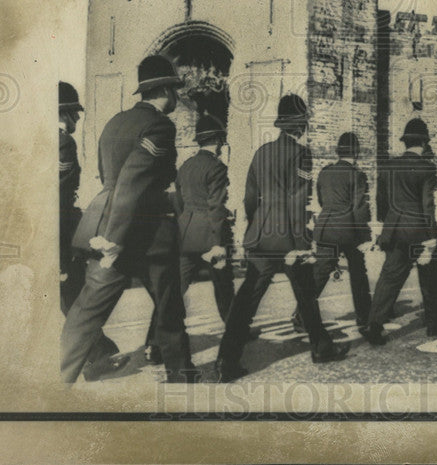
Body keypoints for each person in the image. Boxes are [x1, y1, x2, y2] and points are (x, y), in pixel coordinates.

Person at [61, 56, 196, 384]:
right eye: (174, 89)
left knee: (87, 311)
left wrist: (109, 231)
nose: (177, 97)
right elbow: (132, 179)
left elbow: (108, 177)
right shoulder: (160, 126)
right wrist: (116, 238)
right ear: (165, 89)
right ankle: (180, 375)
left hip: (109, 226)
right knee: (168, 308)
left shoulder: (113, 123)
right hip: (146, 234)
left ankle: (59, 374)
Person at [215, 94, 349, 382]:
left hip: (262, 234)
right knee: (305, 294)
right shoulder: (301, 154)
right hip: (287, 236)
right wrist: (300, 244)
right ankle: (322, 348)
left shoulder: (262, 152)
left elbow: (250, 198)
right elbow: (298, 200)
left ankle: (226, 360)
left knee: (246, 301)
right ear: (300, 126)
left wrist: (256, 228)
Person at [144, 114, 235, 363]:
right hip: (209, 236)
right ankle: (235, 331)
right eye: (220, 141)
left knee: (173, 292)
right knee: (224, 287)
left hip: (184, 234)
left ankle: (153, 344)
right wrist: (218, 241)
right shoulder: (217, 167)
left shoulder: (185, 167)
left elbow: (180, 202)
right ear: (216, 141)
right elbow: (216, 206)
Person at [58, 82, 126, 380]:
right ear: (66, 114)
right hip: (59, 232)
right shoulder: (62, 143)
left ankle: (97, 355)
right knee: (76, 298)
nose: (77, 120)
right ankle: (90, 359)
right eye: (75, 113)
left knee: (72, 298)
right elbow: (56, 196)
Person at [362, 118, 437, 345]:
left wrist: (386, 223)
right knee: (431, 279)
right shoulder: (426, 168)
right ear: (423, 142)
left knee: (389, 280)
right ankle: (435, 324)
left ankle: (374, 324)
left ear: (405, 142)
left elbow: (380, 200)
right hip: (419, 232)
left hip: (394, 230)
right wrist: (432, 237)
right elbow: (427, 205)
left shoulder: (389, 166)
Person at [295, 132, 373, 328]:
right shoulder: (357, 175)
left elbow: (321, 201)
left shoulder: (325, 172)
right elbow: (359, 208)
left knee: (320, 274)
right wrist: (365, 236)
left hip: (326, 228)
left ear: (339, 151)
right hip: (348, 230)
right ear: (356, 153)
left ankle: (301, 316)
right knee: (358, 274)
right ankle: (365, 316)